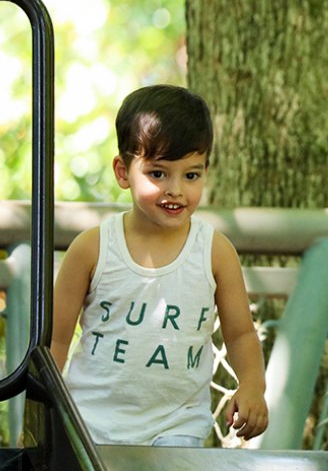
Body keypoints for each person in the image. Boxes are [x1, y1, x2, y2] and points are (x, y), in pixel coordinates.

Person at [50, 84, 268, 447]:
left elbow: (241, 334)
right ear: (123, 172)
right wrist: (43, 413)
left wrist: (252, 387)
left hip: (176, 427)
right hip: (90, 425)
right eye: (158, 173)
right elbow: (55, 340)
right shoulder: (92, 248)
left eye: (191, 175)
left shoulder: (214, 251)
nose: (176, 190)